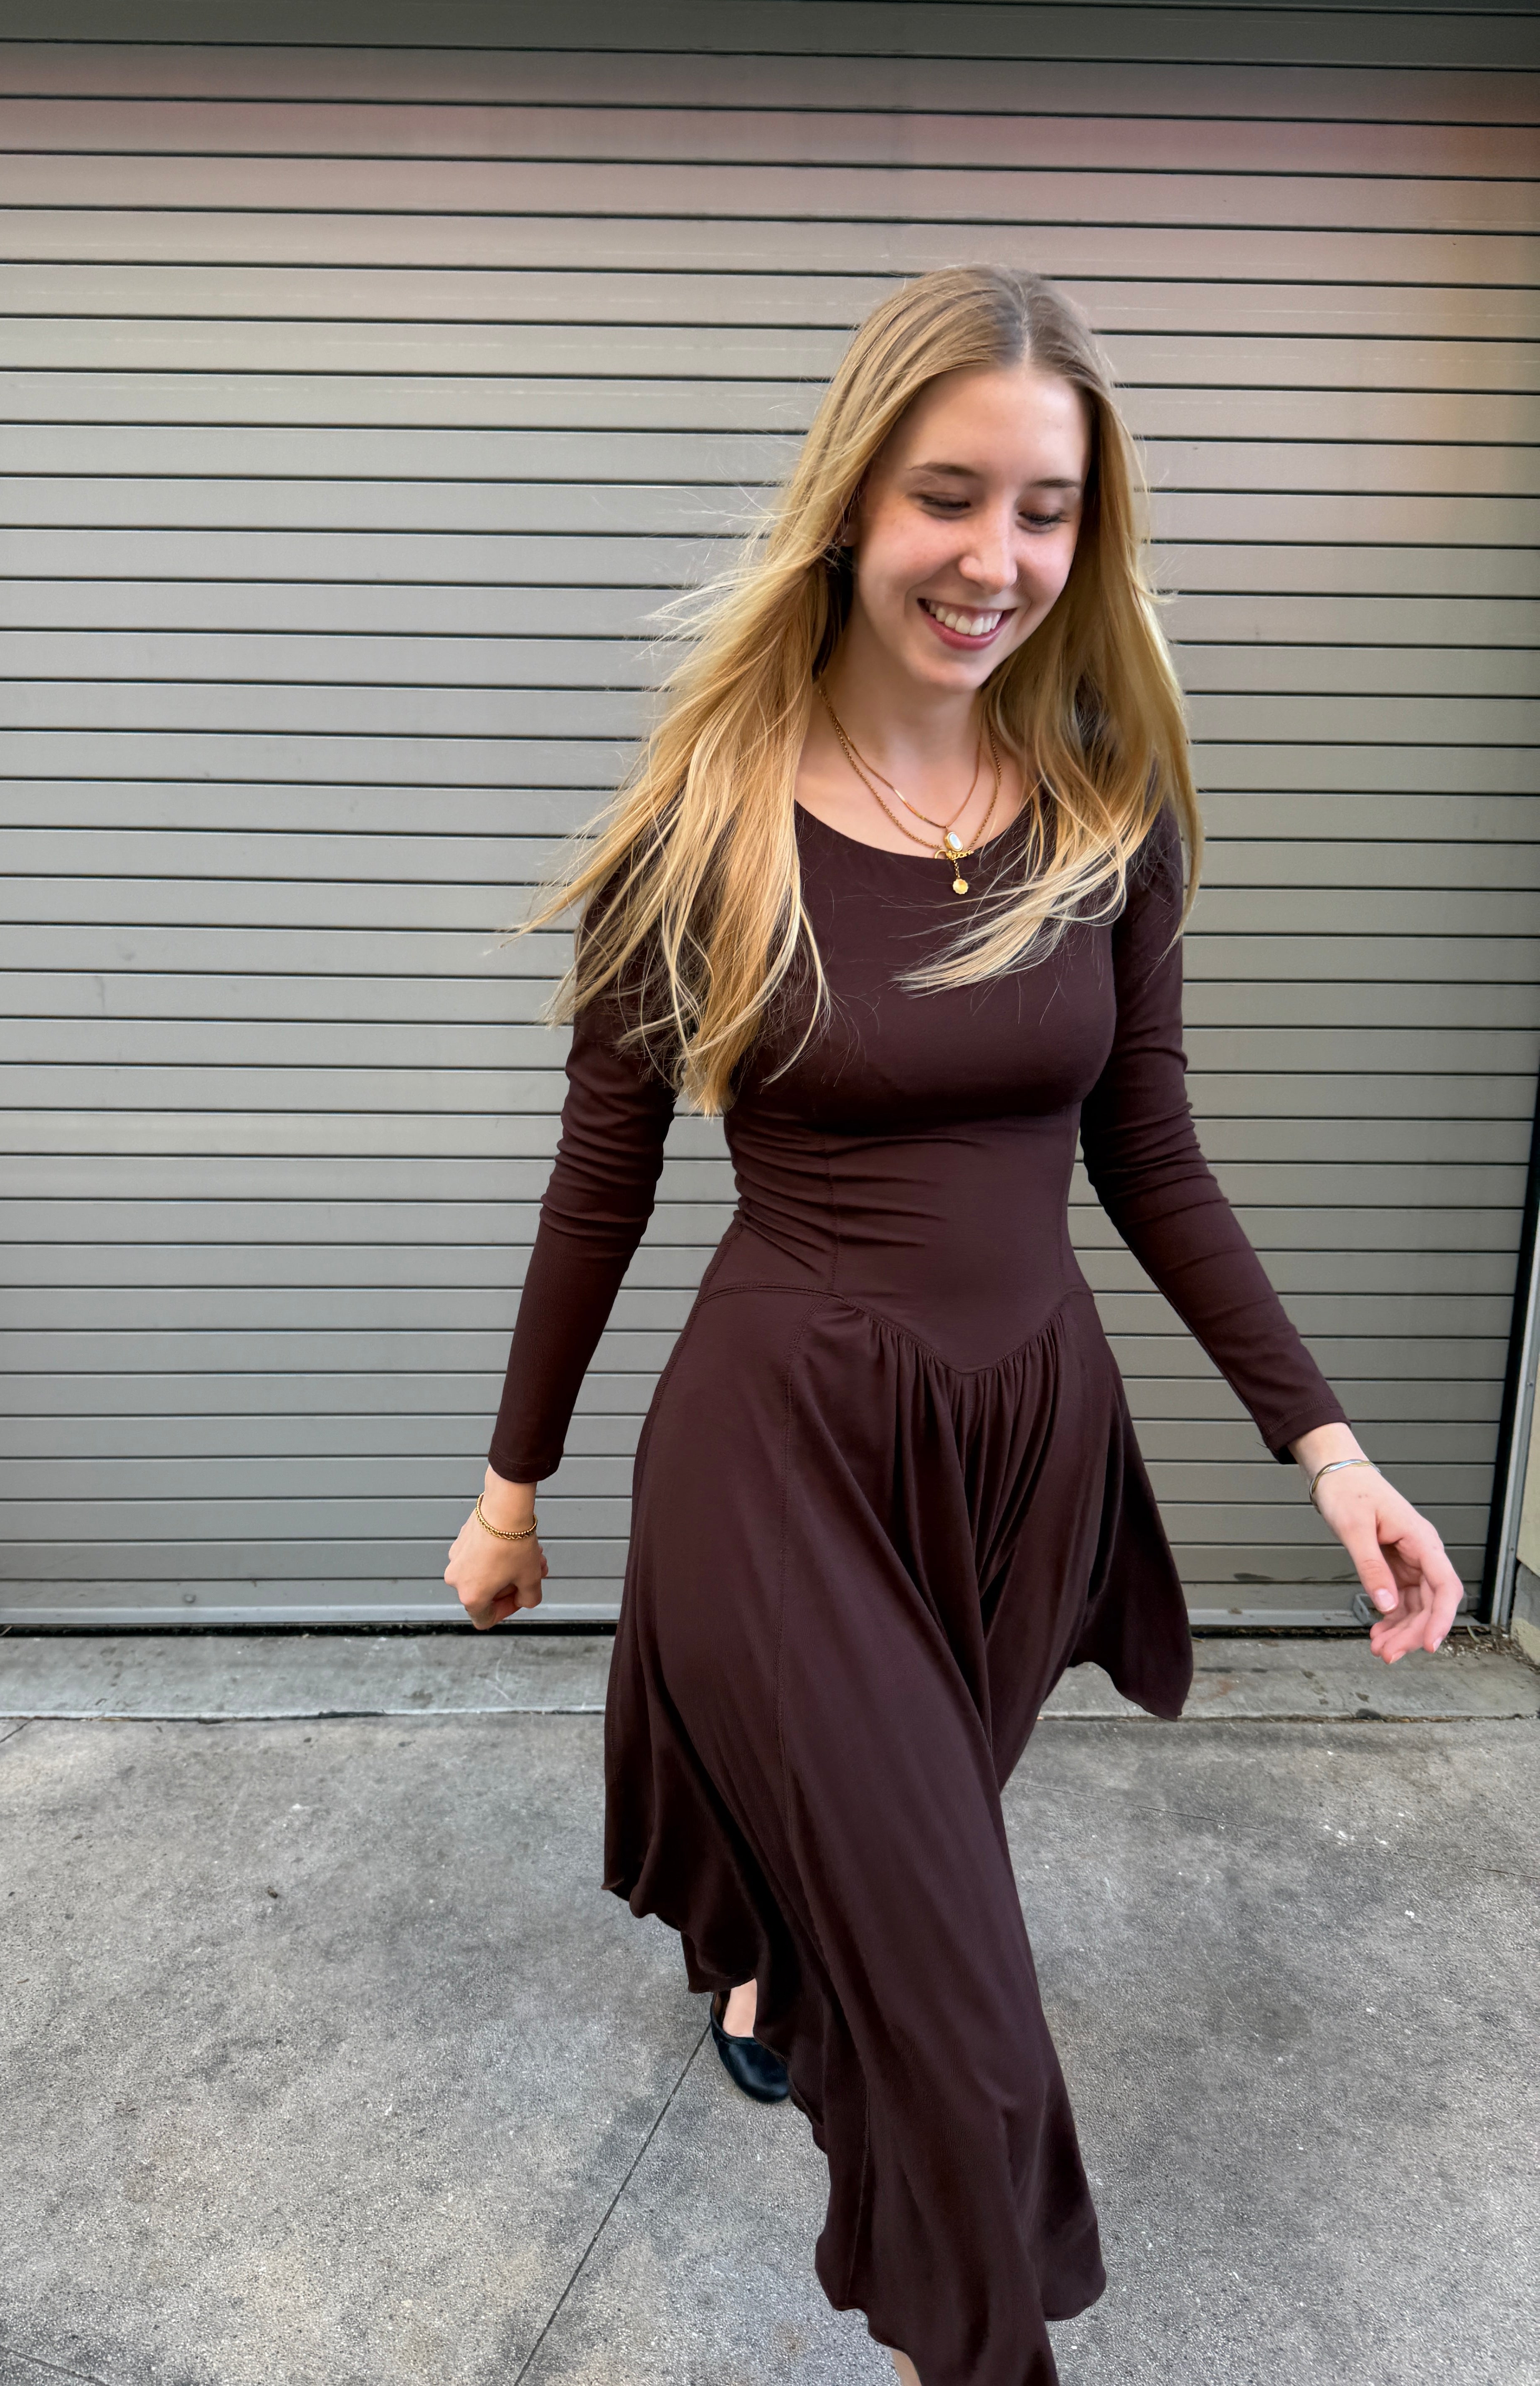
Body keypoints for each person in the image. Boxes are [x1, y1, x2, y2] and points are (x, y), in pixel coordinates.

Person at [443, 266, 1462, 2386]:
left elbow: (1154, 1159)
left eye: (1049, 509)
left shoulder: (1114, 817)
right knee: (971, 2042)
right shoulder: (701, 831)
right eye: (948, 496)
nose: (997, 558)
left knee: (901, 1884)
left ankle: (769, 1974)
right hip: (780, 1456)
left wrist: (1334, 1451)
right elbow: (599, 1188)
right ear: (853, 505)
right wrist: (510, 1489)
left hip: (1024, 1462)